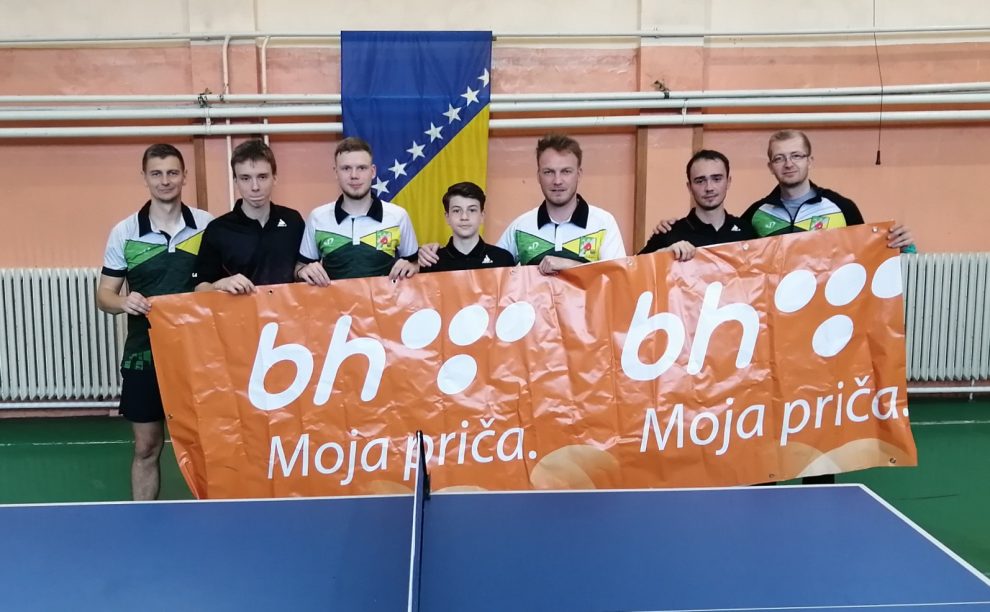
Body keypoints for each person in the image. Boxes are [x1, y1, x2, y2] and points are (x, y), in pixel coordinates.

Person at [96, 144, 212, 500]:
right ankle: (142, 521)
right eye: (157, 174)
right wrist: (123, 301)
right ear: (145, 177)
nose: (165, 181)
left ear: (184, 176)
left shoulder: (208, 226)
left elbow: (221, 281)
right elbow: (104, 296)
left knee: (207, 445)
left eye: (172, 173)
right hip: (144, 355)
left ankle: (216, 518)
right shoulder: (125, 231)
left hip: (198, 357)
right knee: (146, 446)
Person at [419, 134, 626, 275]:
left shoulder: (603, 222)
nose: (557, 181)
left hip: (587, 326)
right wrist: (426, 256)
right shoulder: (521, 227)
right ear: (538, 175)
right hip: (536, 328)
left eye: (566, 171)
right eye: (548, 172)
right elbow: (485, 268)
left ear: (578, 174)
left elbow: (618, 279)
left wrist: (571, 265)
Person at [740, 129, 916, 252]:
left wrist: (901, 246)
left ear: (810, 161)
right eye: (779, 158)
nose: (788, 164)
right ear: (771, 167)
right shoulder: (756, 214)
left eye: (796, 156)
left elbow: (864, 254)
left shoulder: (842, 207)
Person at [296, 137, 419, 286]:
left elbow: (415, 265)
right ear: (336, 172)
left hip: (387, 301)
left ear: (373, 172)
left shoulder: (398, 216)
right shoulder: (317, 218)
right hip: (333, 302)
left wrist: (413, 267)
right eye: (346, 168)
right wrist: (302, 271)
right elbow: (300, 269)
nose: (354, 175)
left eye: (361, 168)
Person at [194, 139, 304, 293]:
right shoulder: (218, 229)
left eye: (262, 177)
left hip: (286, 309)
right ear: (235, 181)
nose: (255, 187)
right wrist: (220, 284)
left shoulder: (293, 221)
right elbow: (199, 287)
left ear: (275, 178)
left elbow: (302, 268)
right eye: (245, 178)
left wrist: (303, 271)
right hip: (237, 309)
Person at [639, 149, 754, 261]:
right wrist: (664, 254)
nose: (709, 188)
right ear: (689, 187)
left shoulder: (746, 231)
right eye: (700, 181)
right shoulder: (668, 233)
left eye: (716, 179)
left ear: (728, 182)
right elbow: (633, 269)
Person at [419, 181, 515, 273]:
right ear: (447, 217)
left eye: (472, 210)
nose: (464, 217)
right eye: (456, 211)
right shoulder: (430, 261)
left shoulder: (503, 259)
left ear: (482, 216)